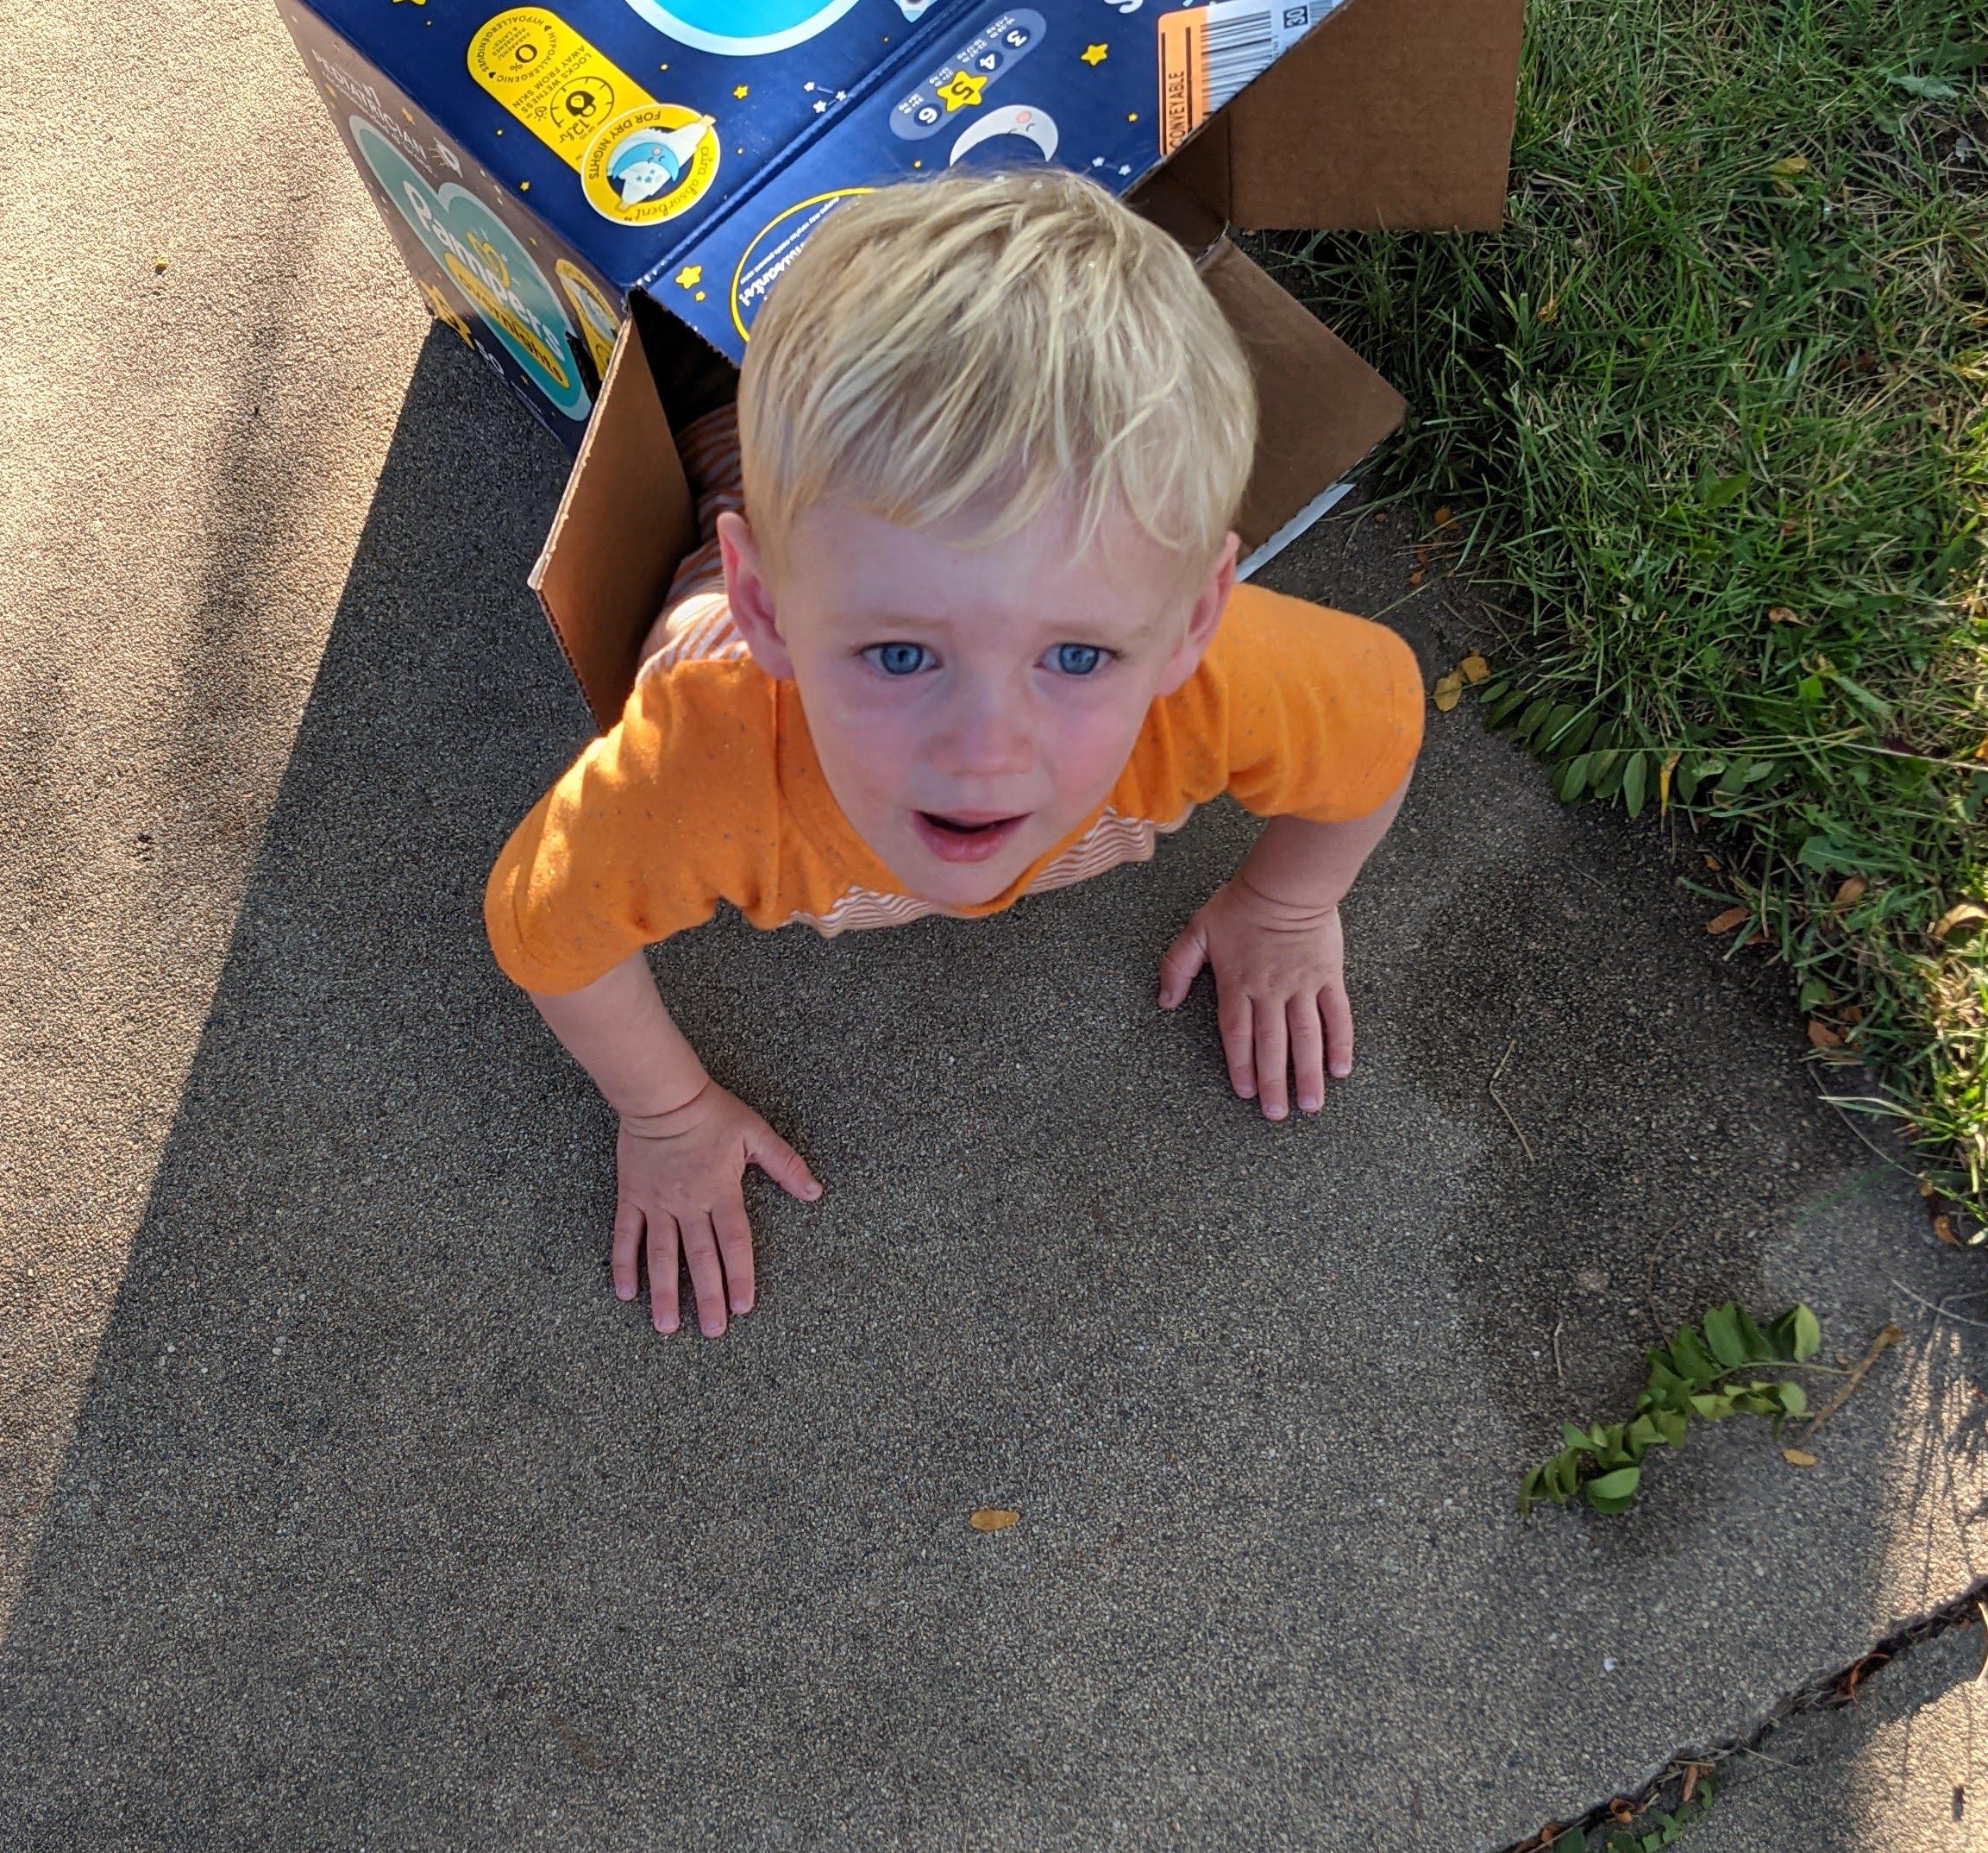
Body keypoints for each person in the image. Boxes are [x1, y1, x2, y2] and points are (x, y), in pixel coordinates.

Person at [485, 173, 1423, 1336]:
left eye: (1076, 658)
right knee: (699, 339)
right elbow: (546, 923)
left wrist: (1290, 905)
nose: (985, 753)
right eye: (897, 655)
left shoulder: (1235, 680)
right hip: (733, 427)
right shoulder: (700, 759)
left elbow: (1383, 717)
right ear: (764, 607)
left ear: (1191, 621)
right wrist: (665, 1114)